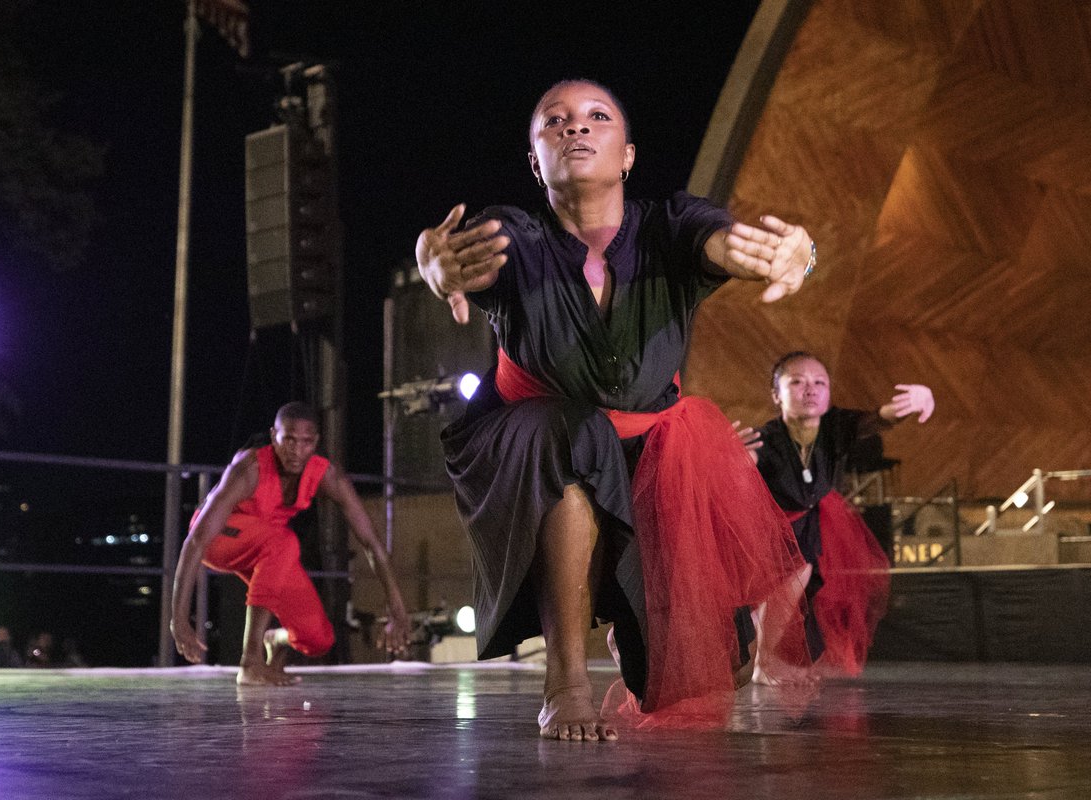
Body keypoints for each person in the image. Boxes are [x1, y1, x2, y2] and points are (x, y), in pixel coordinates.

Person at [416, 79, 817, 740]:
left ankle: (626, 616)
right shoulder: (516, 235)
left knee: (707, 672)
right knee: (574, 435)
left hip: (648, 448)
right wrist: (435, 264)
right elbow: (460, 258)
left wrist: (790, 257)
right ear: (535, 161)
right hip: (530, 444)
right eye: (555, 121)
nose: (575, 127)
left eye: (596, 117)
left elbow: (718, 242)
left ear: (627, 155)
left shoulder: (668, 227)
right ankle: (565, 682)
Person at [170, 402, 412, 685]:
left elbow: (371, 541)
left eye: (306, 442)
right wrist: (179, 617)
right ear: (275, 437)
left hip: (267, 549)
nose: (297, 451)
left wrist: (397, 608)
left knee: (318, 639)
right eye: (289, 440)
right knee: (283, 540)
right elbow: (196, 541)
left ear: (316, 442)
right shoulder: (249, 468)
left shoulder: (328, 475)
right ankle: (251, 661)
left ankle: (277, 639)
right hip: (219, 539)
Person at [738, 351, 934, 678]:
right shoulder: (766, 438)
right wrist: (732, 458)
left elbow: (877, 418)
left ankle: (765, 664)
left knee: (792, 588)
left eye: (820, 383)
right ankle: (755, 659)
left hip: (807, 526)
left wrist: (910, 405)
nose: (810, 389)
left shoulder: (835, 426)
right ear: (776, 394)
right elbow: (743, 463)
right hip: (765, 531)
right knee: (761, 599)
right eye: (797, 382)